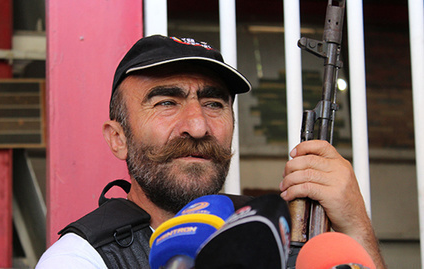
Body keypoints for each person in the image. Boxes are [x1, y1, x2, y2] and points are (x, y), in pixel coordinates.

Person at [36, 35, 385, 268]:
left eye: (214, 103)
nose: (198, 126)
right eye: (167, 102)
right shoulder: (81, 259)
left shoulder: (269, 232)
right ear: (118, 138)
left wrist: (355, 228)